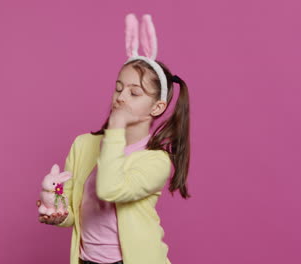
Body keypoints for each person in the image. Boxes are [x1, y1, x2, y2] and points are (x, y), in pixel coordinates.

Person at [36, 13, 191, 264]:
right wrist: (56, 211)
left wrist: (116, 128)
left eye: (134, 92)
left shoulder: (156, 161)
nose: (121, 97)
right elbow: (75, 212)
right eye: (118, 88)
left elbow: (110, 189)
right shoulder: (83, 144)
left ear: (157, 107)